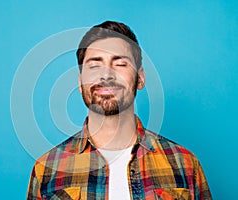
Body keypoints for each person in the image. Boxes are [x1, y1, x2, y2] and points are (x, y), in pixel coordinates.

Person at [26, 21, 212, 200]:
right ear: (80, 82)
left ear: (140, 78)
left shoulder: (185, 164)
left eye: (120, 64)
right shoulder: (47, 169)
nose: (106, 74)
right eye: (94, 65)